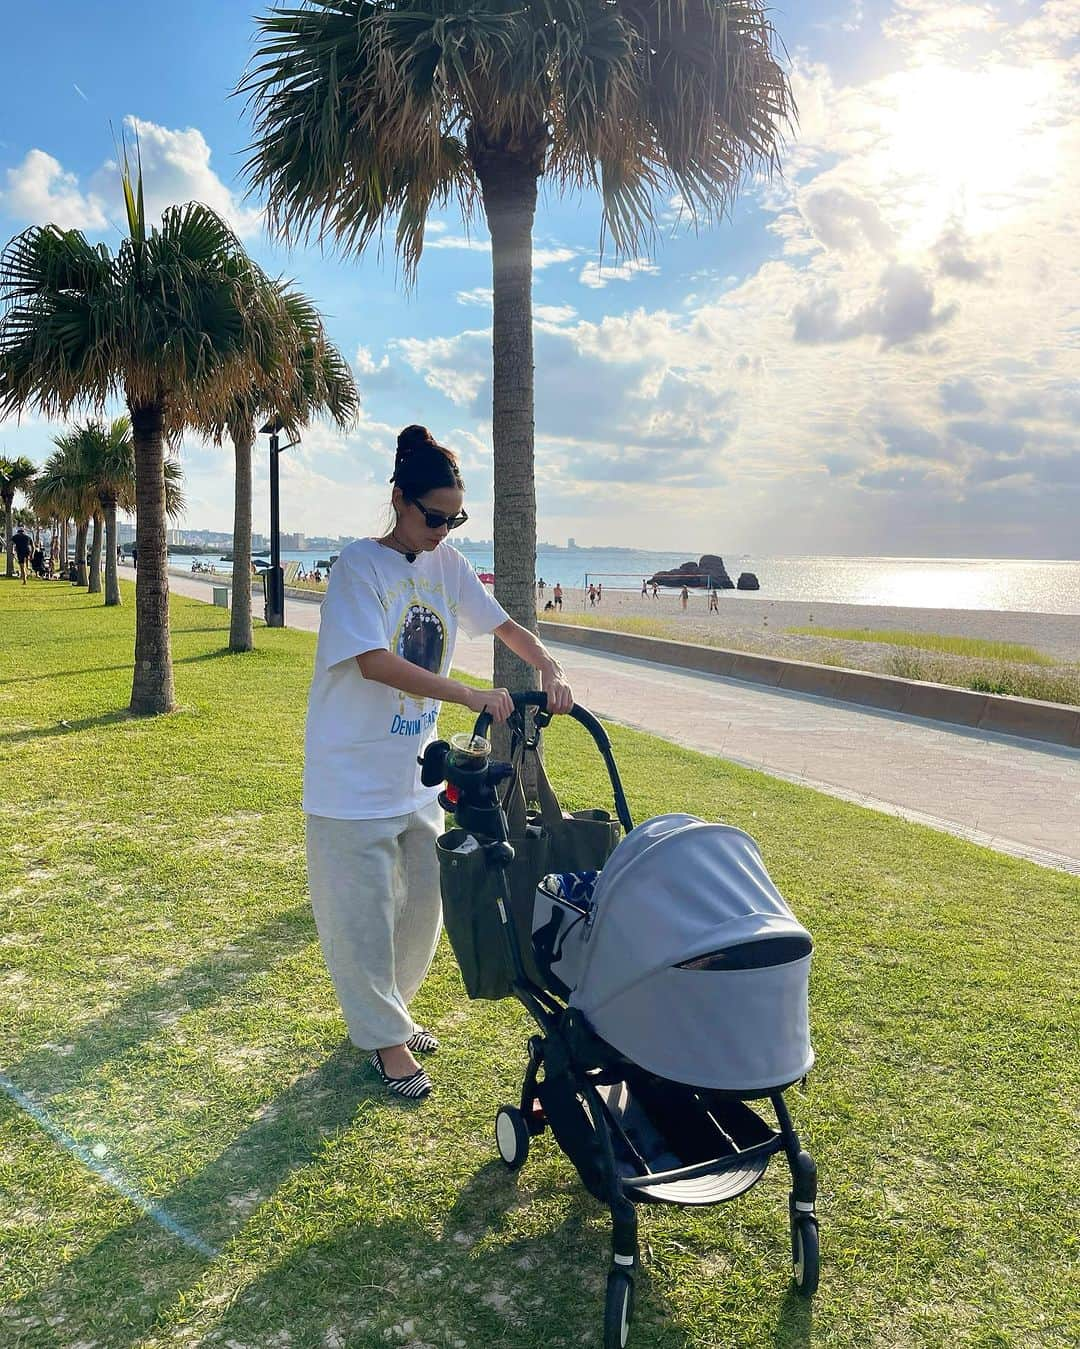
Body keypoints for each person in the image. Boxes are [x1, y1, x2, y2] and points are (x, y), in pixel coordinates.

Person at [304, 424, 573, 1101]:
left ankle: (389, 1010)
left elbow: (505, 623)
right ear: (399, 499)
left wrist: (550, 665)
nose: (443, 530)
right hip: (349, 778)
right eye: (433, 516)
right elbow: (374, 661)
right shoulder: (357, 568)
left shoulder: (447, 565)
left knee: (426, 906)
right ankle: (383, 1038)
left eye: (455, 518)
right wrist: (469, 692)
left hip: (411, 776)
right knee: (360, 917)